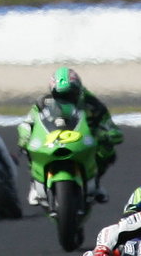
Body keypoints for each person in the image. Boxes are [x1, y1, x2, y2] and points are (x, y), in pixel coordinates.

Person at [24, 68, 123, 205]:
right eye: (60, 95)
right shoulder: (43, 103)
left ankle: (96, 181)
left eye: (70, 94)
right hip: (53, 137)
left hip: (85, 139)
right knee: (28, 146)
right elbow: (28, 122)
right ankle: (35, 183)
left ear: (79, 90)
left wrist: (109, 134)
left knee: (108, 150)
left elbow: (109, 125)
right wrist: (25, 134)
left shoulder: (93, 104)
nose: (65, 99)